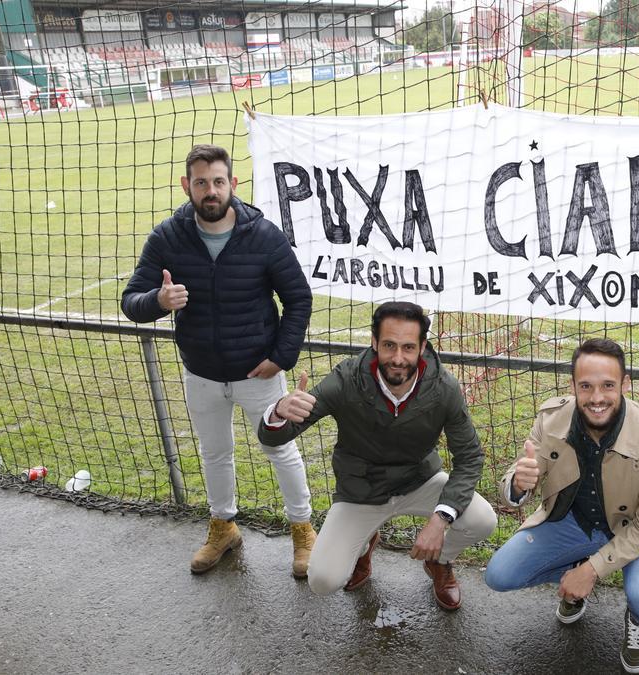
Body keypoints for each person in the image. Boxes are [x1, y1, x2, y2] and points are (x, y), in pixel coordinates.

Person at [121, 144, 315, 577]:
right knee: (214, 455)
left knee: (281, 451)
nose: (211, 191)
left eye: (219, 181)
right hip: (201, 374)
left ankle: (303, 530)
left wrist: (280, 358)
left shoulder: (263, 235)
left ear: (233, 184)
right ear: (186, 185)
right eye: (202, 182)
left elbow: (298, 298)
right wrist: (159, 299)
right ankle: (223, 525)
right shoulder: (167, 238)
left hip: (257, 374)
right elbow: (131, 302)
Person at [257, 301, 496, 610]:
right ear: (374, 343)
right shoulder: (347, 379)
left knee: (482, 520)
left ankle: (440, 561)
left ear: (423, 347)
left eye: (408, 347)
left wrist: (440, 520)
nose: (398, 358)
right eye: (389, 345)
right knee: (323, 580)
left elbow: (470, 456)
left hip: (419, 481)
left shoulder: (443, 387)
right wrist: (279, 412)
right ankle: (364, 544)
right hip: (362, 491)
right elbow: (274, 436)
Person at [484, 338, 639, 673]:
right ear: (573, 386)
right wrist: (516, 483)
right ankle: (576, 576)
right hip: (574, 523)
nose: (597, 398)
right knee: (499, 574)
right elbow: (525, 468)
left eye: (608, 386)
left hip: (638, 531)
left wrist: (592, 569)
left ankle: (635, 619)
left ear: (625, 384)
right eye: (586, 386)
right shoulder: (551, 419)